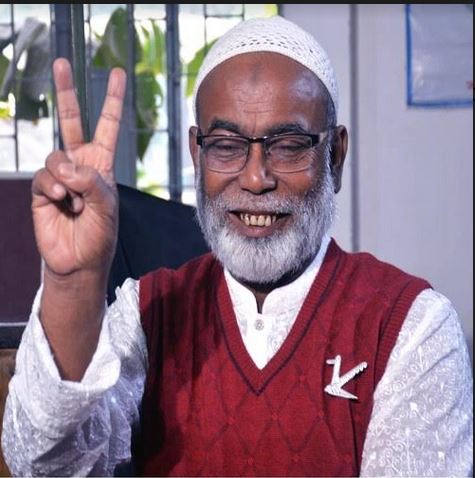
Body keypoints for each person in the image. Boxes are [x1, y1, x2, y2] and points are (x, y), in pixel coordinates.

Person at [1, 15, 473, 477]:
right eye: (226, 145)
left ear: (335, 156)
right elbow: (45, 464)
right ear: (197, 155)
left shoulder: (411, 326)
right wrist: (74, 282)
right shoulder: (147, 312)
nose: (255, 178)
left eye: (288, 145)